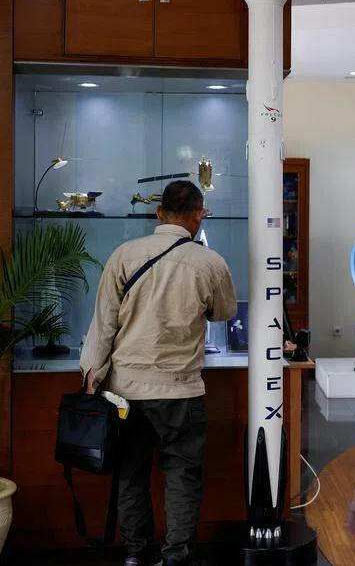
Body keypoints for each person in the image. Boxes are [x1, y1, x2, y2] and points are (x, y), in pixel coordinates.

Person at [80, 180, 237, 566]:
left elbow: (103, 324)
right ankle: (176, 556)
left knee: (131, 473)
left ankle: (137, 554)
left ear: (159, 213)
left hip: (126, 391)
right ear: (198, 215)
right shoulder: (210, 262)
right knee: (182, 476)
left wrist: (91, 376)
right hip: (181, 392)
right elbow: (225, 312)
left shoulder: (124, 255)